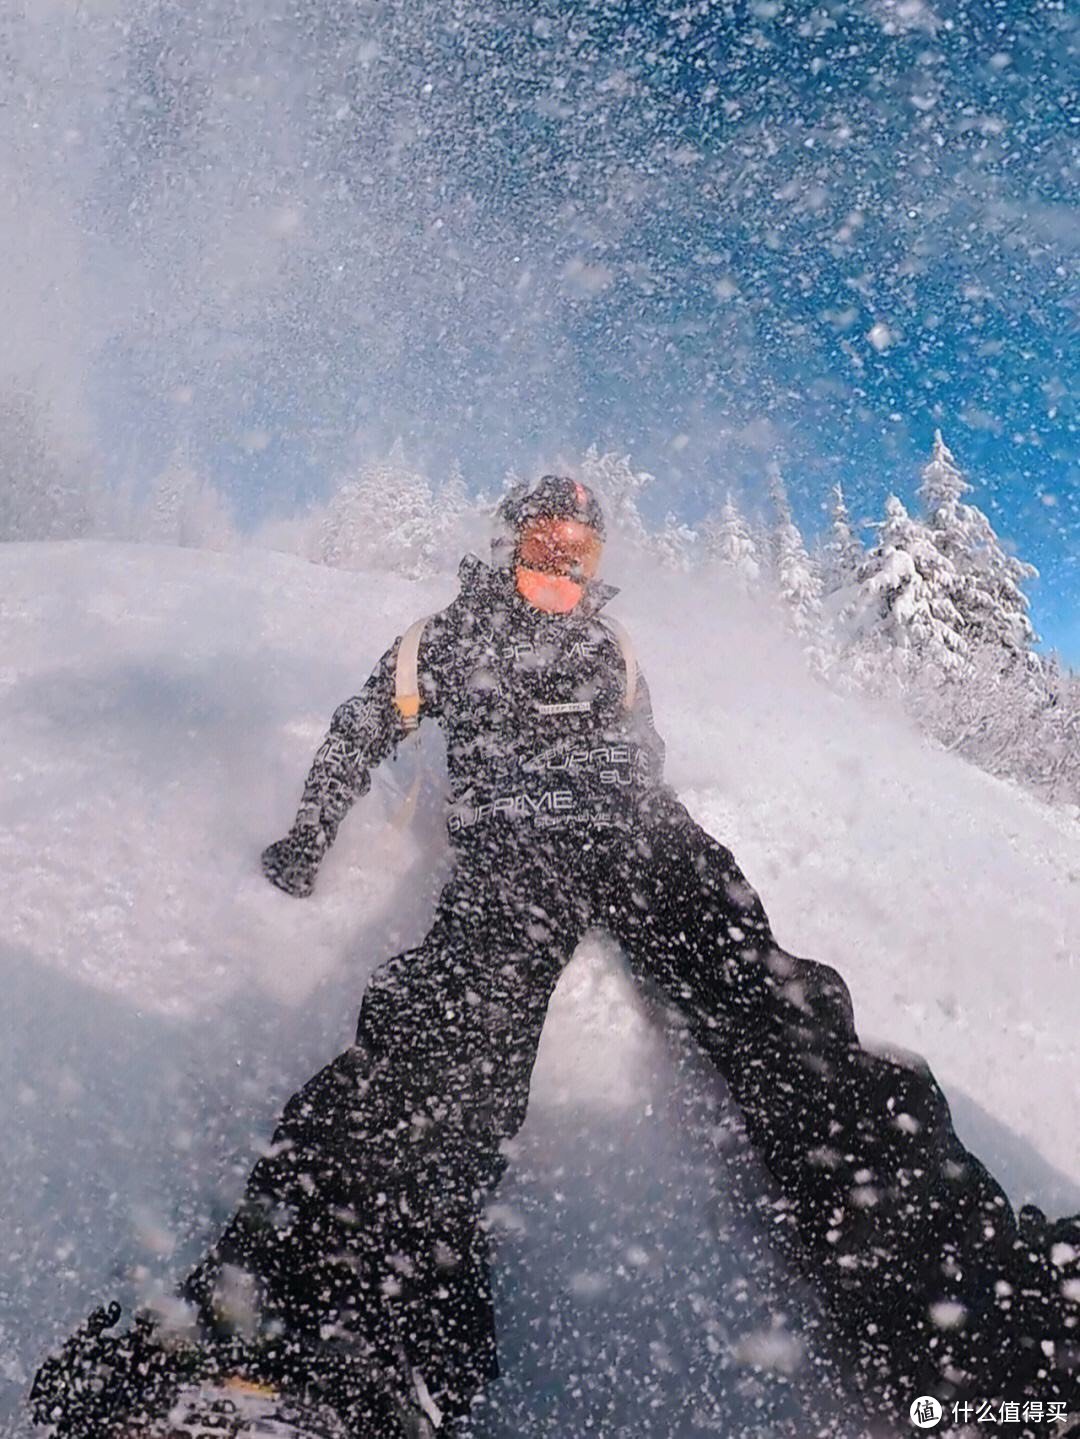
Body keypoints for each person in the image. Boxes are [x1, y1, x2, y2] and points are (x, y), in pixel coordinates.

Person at [32, 476, 1078, 1438]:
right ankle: (317, 1319)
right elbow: (362, 727)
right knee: (456, 1023)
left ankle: (982, 1307)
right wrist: (313, 830)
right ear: (510, 541)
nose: (562, 562)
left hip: (642, 833)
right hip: (518, 843)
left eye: (579, 546)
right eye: (545, 540)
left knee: (777, 1008)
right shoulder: (452, 631)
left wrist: (644, 806)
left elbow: (646, 749)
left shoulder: (614, 649)